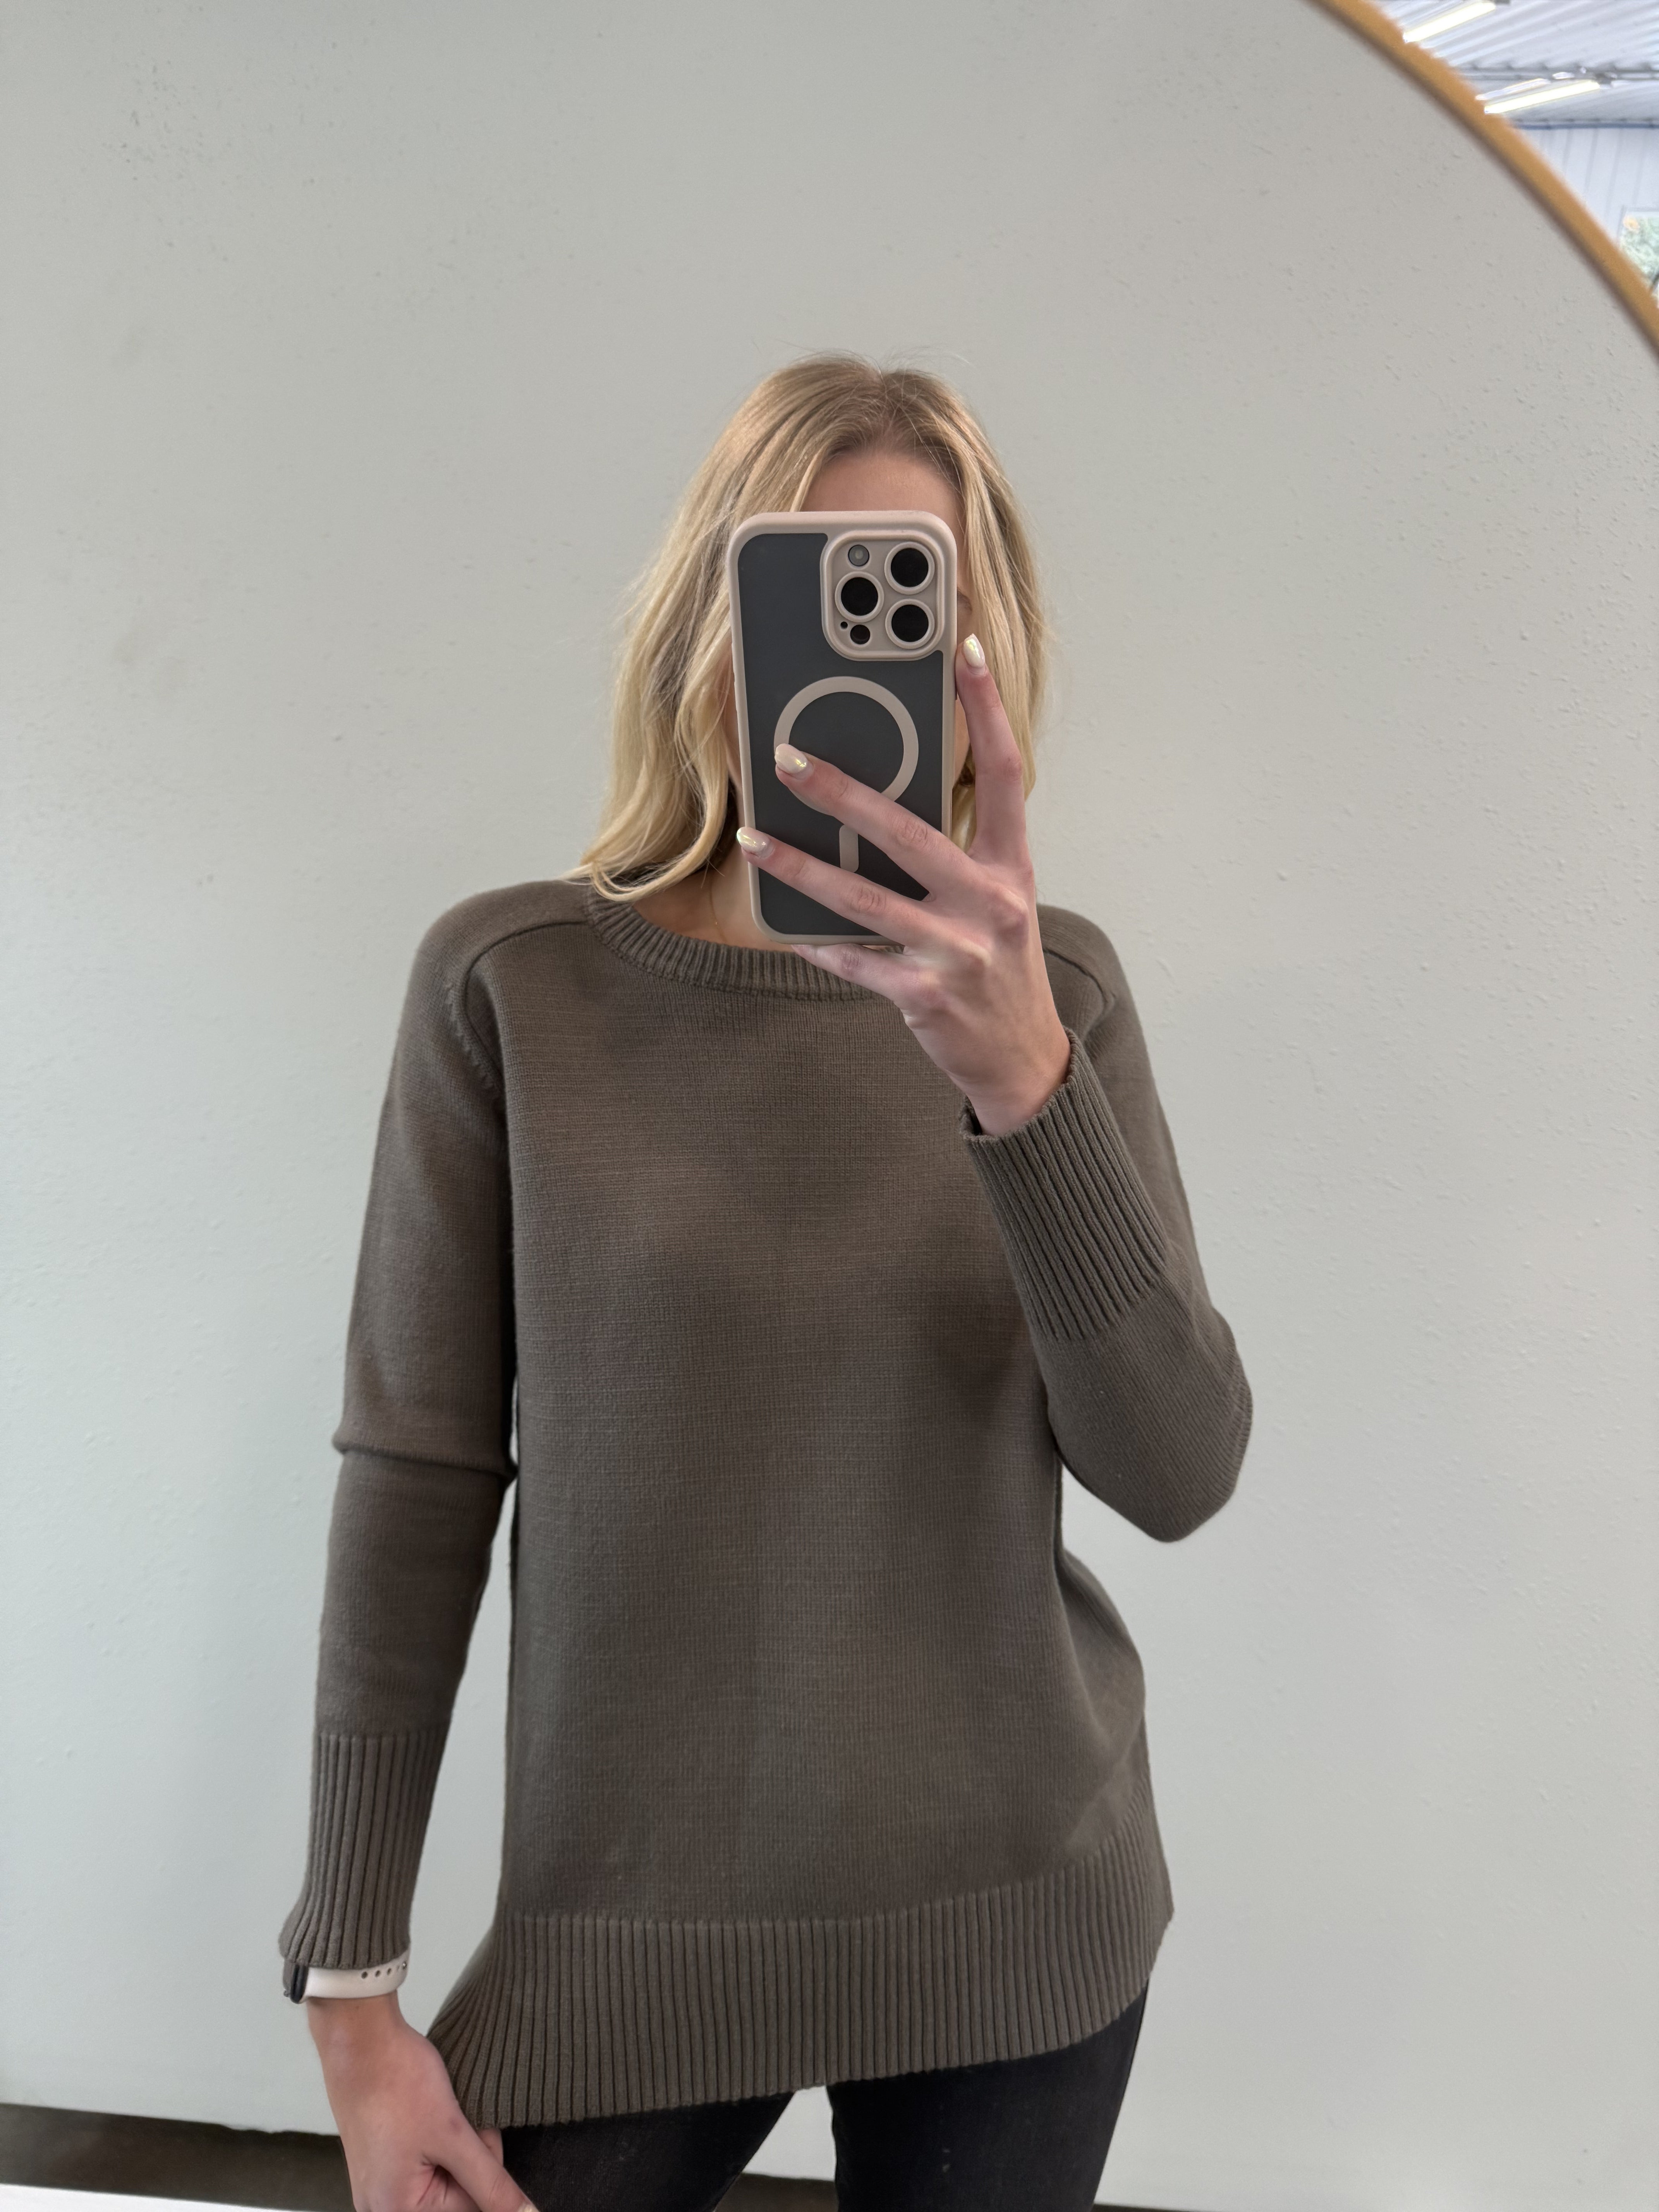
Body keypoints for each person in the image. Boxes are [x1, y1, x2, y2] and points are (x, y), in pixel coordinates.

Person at [278, 355, 1253, 2212]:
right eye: (798, 586)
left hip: (1018, 1918)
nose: (848, 664)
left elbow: (1181, 1470)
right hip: (629, 1941)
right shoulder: (513, 988)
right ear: (703, 621)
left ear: (979, 662)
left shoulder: (1059, 1000)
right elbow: (415, 1483)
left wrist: (1022, 1091)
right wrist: (352, 1984)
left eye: (907, 601)